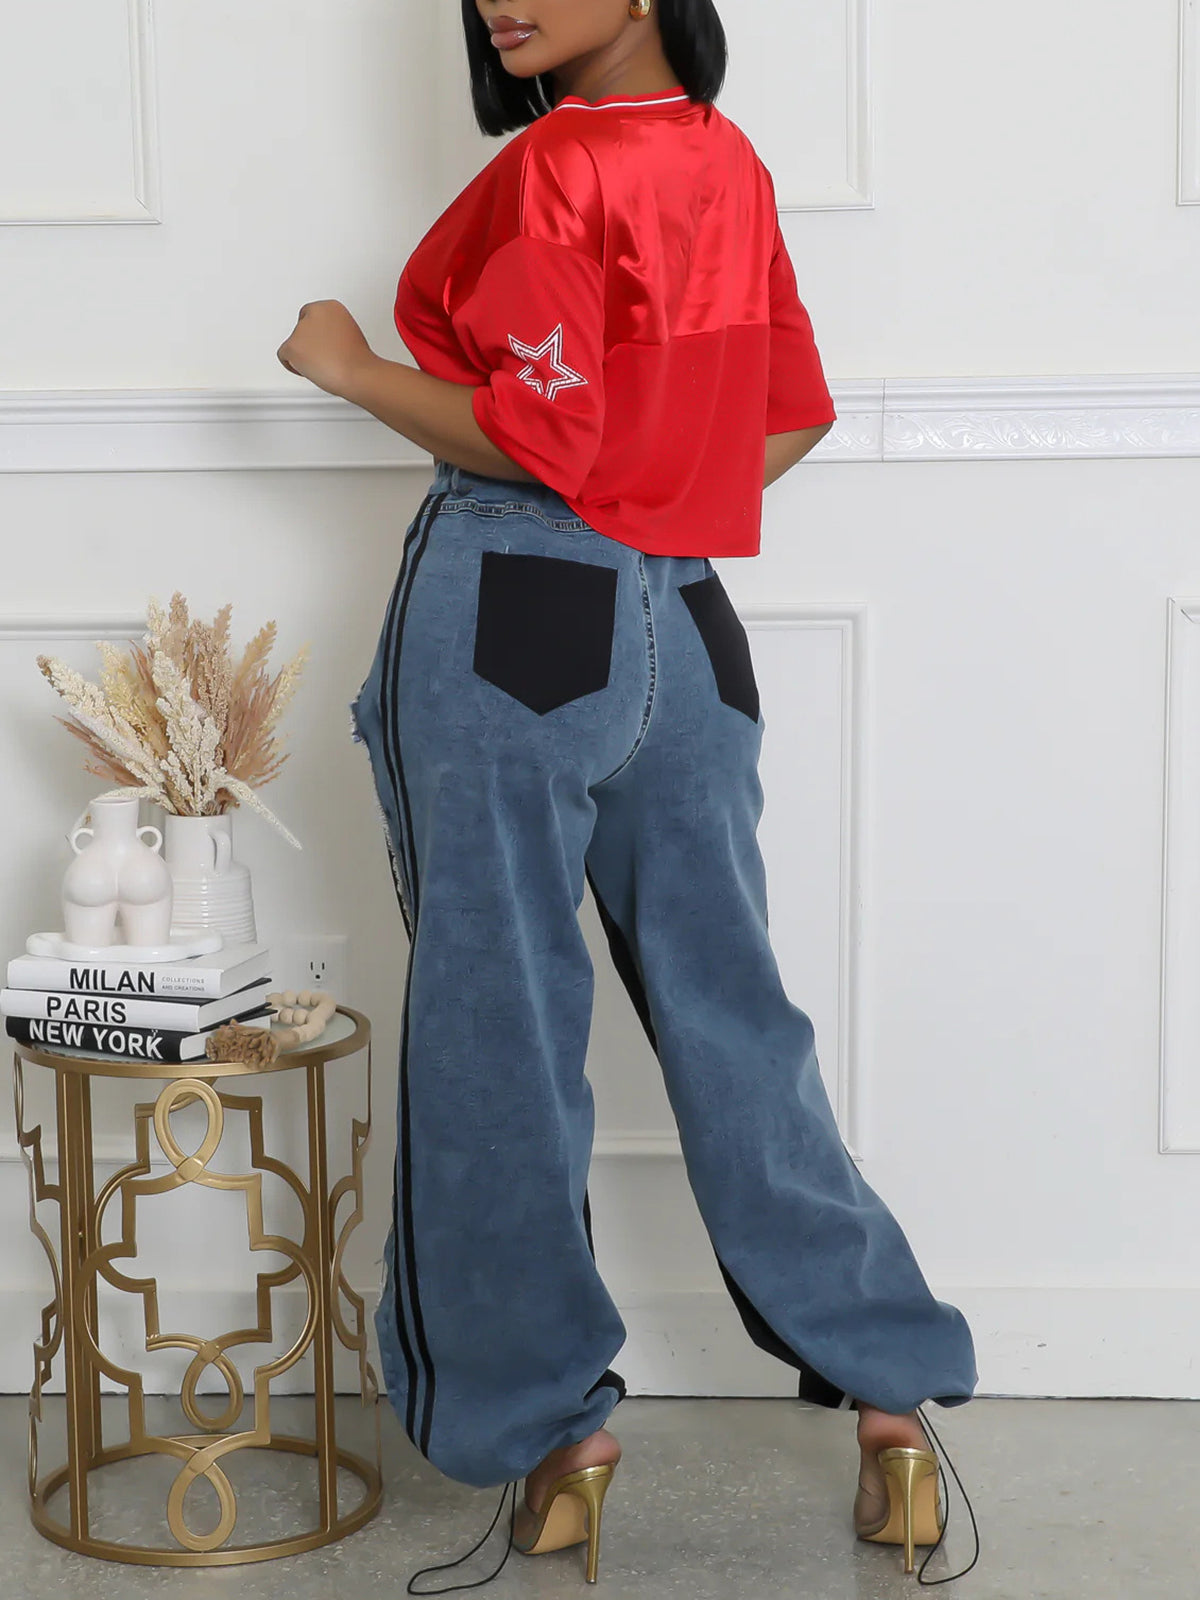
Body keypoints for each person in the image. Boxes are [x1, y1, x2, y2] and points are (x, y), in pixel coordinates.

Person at [278, 0, 980, 1589]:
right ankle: (893, 1399)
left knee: (500, 1028)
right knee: (737, 1016)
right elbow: (792, 412)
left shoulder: (555, 169)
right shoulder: (726, 161)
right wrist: (653, 512)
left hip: (514, 619)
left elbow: (535, 437)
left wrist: (352, 370)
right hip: (687, 622)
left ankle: (551, 1436)